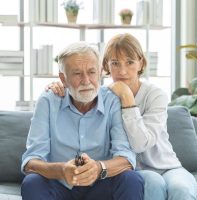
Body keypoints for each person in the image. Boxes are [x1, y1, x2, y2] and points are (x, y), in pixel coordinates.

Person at [47, 33, 197, 200]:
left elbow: (141, 144)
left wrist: (127, 99)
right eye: (115, 63)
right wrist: (59, 86)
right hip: (129, 173)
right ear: (106, 66)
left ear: (141, 63)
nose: (123, 71)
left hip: (168, 167)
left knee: (181, 190)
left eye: (130, 62)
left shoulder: (155, 95)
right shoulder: (100, 95)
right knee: (152, 184)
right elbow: (75, 89)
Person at [21, 42, 144, 200]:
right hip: (60, 186)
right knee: (32, 182)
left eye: (92, 72)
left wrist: (99, 168)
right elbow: (31, 162)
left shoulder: (112, 100)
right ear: (63, 78)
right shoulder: (48, 101)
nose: (86, 81)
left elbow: (126, 158)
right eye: (77, 73)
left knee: (131, 180)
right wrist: (62, 170)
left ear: (99, 73)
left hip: (101, 185)